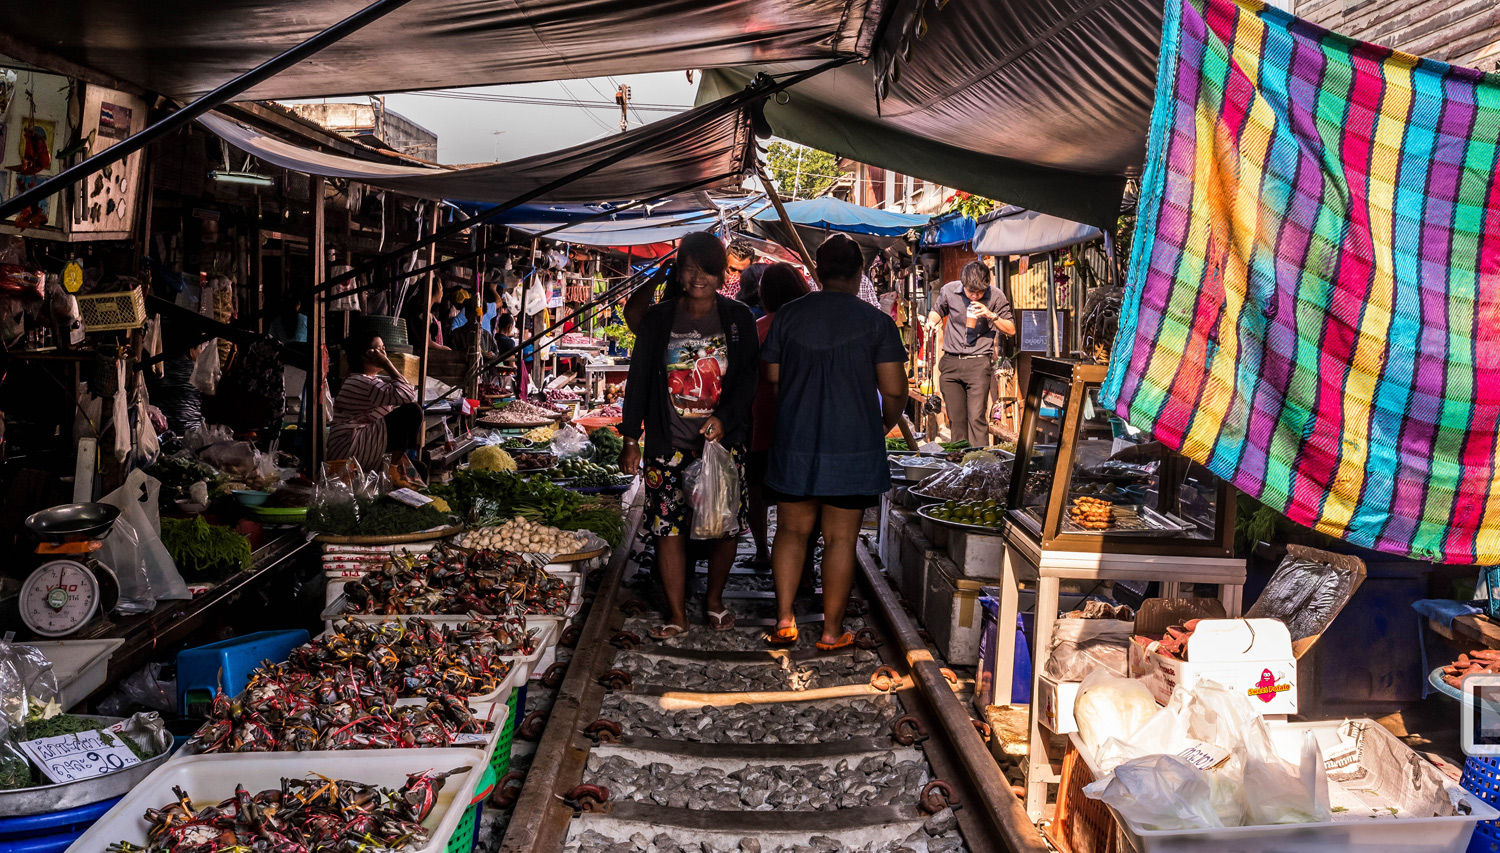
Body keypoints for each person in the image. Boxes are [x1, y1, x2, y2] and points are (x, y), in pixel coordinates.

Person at [762, 233, 909, 650]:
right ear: (859, 272)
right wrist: (883, 422)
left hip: (794, 439)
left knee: (791, 530)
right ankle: (830, 631)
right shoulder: (877, 323)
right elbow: (895, 389)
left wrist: (793, 410)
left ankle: (785, 619)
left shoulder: (788, 317)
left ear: (816, 273)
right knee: (841, 538)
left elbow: (771, 377)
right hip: (853, 445)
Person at [619, 232, 759, 639]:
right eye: (689, 267)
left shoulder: (739, 319)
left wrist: (726, 418)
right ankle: (677, 613)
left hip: (722, 445)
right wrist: (631, 437)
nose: (698, 276)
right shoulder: (661, 319)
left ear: (721, 273)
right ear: (679, 272)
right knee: (668, 529)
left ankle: (714, 601)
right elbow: (640, 377)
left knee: (725, 525)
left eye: (706, 268)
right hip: (668, 443)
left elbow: (748, 378)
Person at [746, 263, 812, 568]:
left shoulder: (757, 329)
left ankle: (762, 551)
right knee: (801, 499)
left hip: (762, 421)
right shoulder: (811, 328)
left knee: (756, 492)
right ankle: (804, 559)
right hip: (803, 425)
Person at [924, 260, 1014, 446]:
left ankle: (979, 466)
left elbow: (1011, 329)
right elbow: (937, 311)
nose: (974, 296)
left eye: (979, 292)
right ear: (962, 283)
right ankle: (959, 466)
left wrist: (991, 315)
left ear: (987, 285)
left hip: (978, 363)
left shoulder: (996, 296)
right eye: (970, 292)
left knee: (976, 418)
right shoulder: (949, 290)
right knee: (956, 420)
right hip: (950, 361)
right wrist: (931, 322)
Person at [327, 332, 420, 472]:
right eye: (379, 350)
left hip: (359, 445)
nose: (384, 353)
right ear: (366, 355)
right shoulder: (360, 381)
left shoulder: (365, 380)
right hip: (348, 447)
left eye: (383, 349)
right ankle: (391, 471)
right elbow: (407, 395)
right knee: (412, 412)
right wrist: (387, 364)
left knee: (419, 470)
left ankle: (392, 468)